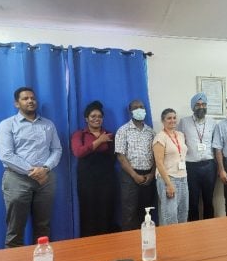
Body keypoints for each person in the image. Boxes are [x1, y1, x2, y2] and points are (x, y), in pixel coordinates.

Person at [0, 87, 62, 247]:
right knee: (15, 230)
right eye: (25, 98)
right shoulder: (7, 125)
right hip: (17, 180)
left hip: (45, 179)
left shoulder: (48, 124)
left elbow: (57, 149)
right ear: (17, 103)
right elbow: (6, 155)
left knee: (43, 228)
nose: (30, 101)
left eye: (32, 98)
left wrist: (45, 168)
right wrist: (33, 171)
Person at [71, 101, 118, 237]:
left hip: (107, 180)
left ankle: (107, 244)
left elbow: (114, 157)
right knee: (88, 212)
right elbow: (79, 152)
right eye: (93, 116)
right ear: (86, 119)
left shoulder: (109, 135)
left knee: (107, 211)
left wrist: (104, 139)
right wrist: (99, 141)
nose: (96, 119)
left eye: (99, 116)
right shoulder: (79, 135)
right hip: (87, 181)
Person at [115, 100, 157, 230]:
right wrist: (134, 175)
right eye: (135, 107)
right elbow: (120, 156)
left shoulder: (151, 132)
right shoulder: (123, 130)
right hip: (130, 176)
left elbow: (156, 155)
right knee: (129, 212)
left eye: (141, 107)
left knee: (147, 211)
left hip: (148, 175)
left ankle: (146, 241)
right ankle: (129, 245)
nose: (139, 109)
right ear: (130, 111)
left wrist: (152, 173)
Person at [177, 93, 217, 221]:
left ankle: (209, 228)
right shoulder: (184, 122)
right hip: (191, 167)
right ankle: (193, 230)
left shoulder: (212, 122)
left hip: (209, 166)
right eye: (198, 104)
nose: (201, 107)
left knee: (208, 200)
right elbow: (178, 143)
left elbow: (216, 145)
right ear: (193, 107)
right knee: (192, 201)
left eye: (203, 104)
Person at [153, 108, 189, 225]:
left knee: (183, 213)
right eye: (169, 118)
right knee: (170, 216)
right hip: (168, 179)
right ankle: (170, 242)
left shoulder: (180, 135)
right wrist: (169, 184)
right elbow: (159, 162)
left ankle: (182, 241)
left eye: (174, 118)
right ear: (163, 121)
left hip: (183, 178)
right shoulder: (160, 137)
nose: (172, 120)